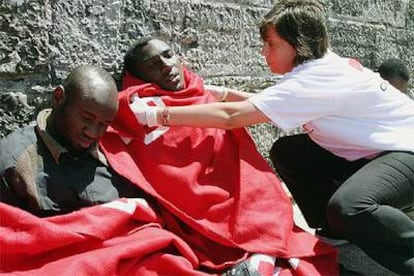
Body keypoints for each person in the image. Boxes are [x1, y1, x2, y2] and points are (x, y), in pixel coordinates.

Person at [130, 1, 414, 275]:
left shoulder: (313, 80)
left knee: (349, 207)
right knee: (290, 152)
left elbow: (232, 117)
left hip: (407, 149)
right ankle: (335, 233)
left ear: (298, 44)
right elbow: (269, 103)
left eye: (272, 44)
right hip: (381, 148)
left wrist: (158, 115)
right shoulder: (317, 69)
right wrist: (220, 93)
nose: (264, 52)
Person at [99, 36, 338, 275]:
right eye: (152, 65)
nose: (166, 66)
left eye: (168, 55)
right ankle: (259, 258)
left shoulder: (201, 91)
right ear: (139, 77)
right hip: (201, 206)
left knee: (268, 209)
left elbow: (260, 110)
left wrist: (221, 93)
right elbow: (167, 169)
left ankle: (260, 257)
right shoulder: (141, 109)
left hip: (245, 191)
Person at [0, 64, 144, 217]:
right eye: (87, 118)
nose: (93, 133)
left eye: (104, 124)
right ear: (58, 98)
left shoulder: (118, 156)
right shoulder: (14, 164)